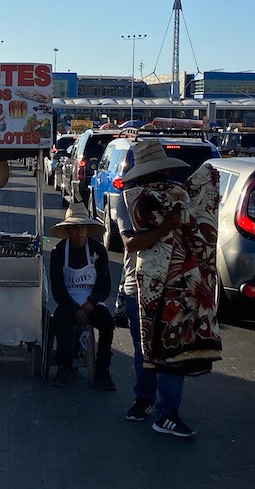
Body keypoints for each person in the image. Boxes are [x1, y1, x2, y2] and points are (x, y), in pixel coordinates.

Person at [118, 139, 222, 439]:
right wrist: (167, 227)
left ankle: (166, 413)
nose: (161, 182)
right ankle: (145, 400)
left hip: (177, 286)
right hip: (140, 286)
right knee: (146, 351)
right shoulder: (127, 202)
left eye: (163, 176)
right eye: (157, 176)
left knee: (171, 350)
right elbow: (131, 244)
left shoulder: (178, 197)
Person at [47, 208, 116, 389]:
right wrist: (74, 308)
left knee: (108, 323)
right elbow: (58, 288)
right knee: (61, 322)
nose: (80, 232)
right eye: (75, 228)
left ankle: (103, 371)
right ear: (68, 230)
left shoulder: (98, 250)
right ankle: (64, 366)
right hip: (69, 303)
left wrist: (91, 303)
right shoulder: (58, 252)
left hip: (91, 302)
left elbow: (104, 285)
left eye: (83, 228)